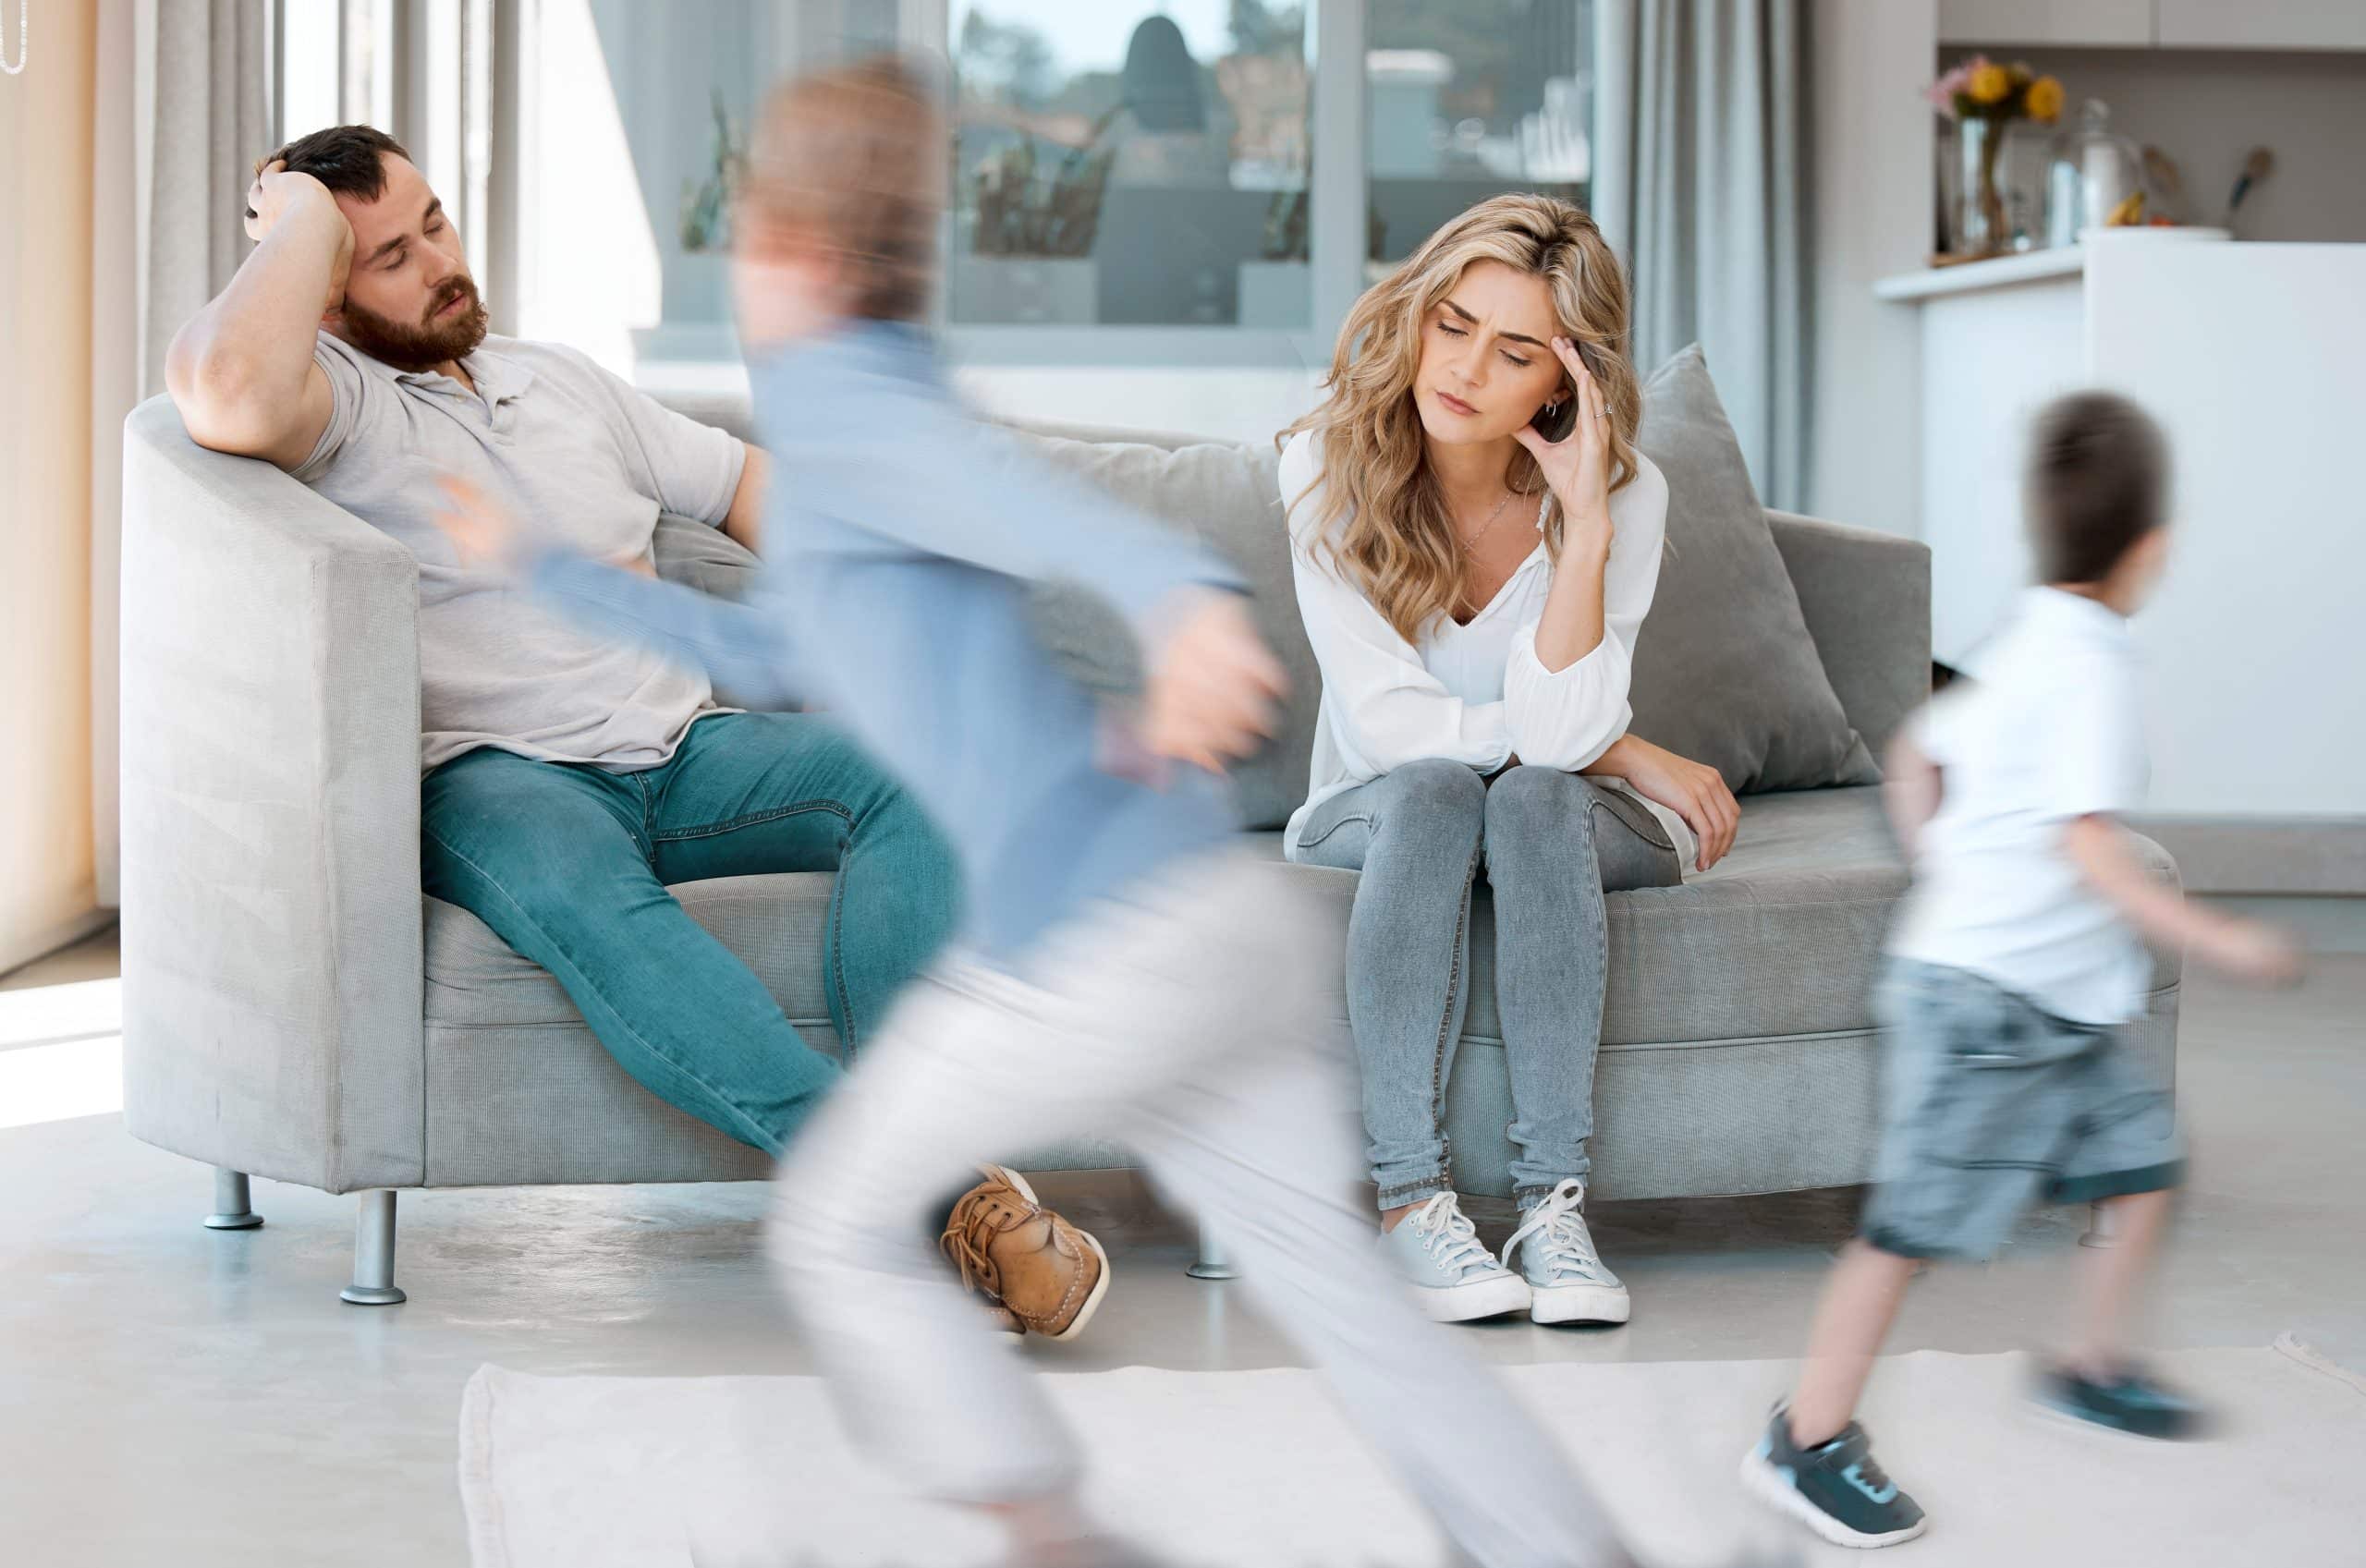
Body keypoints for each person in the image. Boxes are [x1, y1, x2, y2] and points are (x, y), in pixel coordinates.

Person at [437, 56, 1788, 1568]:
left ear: (796, 250)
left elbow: (1046, 510)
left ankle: (1048, 1529)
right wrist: (540, 565)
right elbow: (775, 648)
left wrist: (1187, 603)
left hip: (1091, 955)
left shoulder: (857, 410)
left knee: (832, 1224)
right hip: (1211, 936)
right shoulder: (843, 441)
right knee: (1338, 1292)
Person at [165, 123, 1103, 1339]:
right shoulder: (335, 407)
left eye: (435, 222)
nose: (439, 264)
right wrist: (298, 218)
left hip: (687, 749)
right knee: (598, 906)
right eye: (386, 255)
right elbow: (226, 388)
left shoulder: (558, 379)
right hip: (499, 781)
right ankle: (938, 1202)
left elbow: (749, 487)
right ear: (328, 290)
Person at [1740, 391, 2303, 1550]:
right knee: (1907, 1228)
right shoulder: (2088, 665)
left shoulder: (2028, 638)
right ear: (2152, 546)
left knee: (2141, 1160)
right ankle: (1803, 1433)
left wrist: (1940, 849)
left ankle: (2090, 1359)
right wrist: (2219, 938)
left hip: (2056, 1011)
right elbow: (2088, 843)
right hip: (1977, 1010)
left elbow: (1914, 748)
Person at [1278, 194, 1739, 1325]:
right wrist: (1621, 748)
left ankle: (1552, 1211)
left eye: (1516, 350)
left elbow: (1555, 742)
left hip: (1552, 810)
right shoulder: (1320, 462)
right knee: (1442, 786)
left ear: (1565, 381)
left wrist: (1582, 524)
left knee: (1531, 795)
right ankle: (1409, 1205)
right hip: (1375, 808)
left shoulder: (1625, 490)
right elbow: (1390, 730)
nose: (1467, 367)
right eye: (1453, 323)